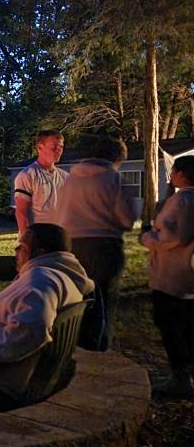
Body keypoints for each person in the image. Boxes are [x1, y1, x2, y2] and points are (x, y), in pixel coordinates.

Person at [0, 224, 94, 414]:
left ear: (40, 251)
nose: (15, 250)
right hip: (0, 375)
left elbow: (32, 329)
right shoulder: (61, 276)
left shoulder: (42, 279)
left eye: (21, 246)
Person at [54, 135, 137, 351]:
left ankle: (73, 344)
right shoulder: (114, 180)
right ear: (117, 157)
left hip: (72, 246)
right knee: (103, 299)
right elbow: (127, 219)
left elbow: (58, 215)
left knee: (77, 299)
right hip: (104, 247)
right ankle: (99, 347)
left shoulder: (71, 180)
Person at [140, 155, 194, 397]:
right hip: (188, 275)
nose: (170, 174)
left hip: (173, 276)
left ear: (182, 174)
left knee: (171, 326)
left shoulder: (182, 201)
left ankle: (181, 378)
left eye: (173, 171)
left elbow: (173, 237)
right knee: (187, 326)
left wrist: (147, 238)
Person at [14, 130, 68, 239]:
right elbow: (21, 213)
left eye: (61, 147)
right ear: (40, 148)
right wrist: (27, 240)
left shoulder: (65, 177)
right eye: (54, 147)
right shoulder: (27, 175)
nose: (58, 151)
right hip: (38, 239)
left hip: (60, 238)